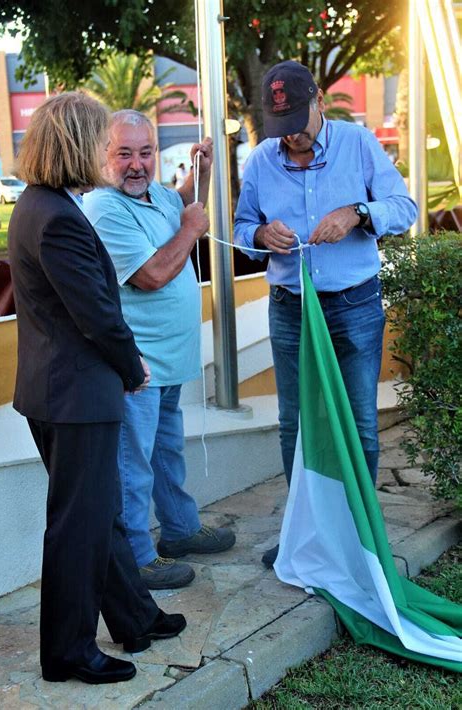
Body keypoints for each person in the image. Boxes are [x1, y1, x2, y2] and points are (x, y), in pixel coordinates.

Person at [8, 93, 186, 685]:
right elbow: (96, 315)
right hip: (75, 396)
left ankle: (134, 618)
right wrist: (134, 369)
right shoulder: (56, 216)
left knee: (98, 515)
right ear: (76, 144)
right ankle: (68, 653)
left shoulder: (43, 204)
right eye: (97, 137)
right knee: (78, 528)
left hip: (61, 390)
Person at [234, 61, 417, 568]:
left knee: (359, 423)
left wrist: (358, 213)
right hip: (290, 309)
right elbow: (242, 227)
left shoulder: (359, 145)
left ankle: (360, 537)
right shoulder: (262, 160)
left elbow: (405, 207)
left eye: (296, 119)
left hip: (355, 304)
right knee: (295, 424)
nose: (289, 135)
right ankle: (305, 536)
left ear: (318, 99)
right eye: (279, 126)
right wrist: (259, 236)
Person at [84, 110, 236, 590]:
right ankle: (137, 556)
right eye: (124, 153)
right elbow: (150, 276)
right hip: (139, 366)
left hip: (171, 362)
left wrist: (204, 171)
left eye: (145, 152)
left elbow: (186, 205)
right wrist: (191, 230)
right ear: (102, 156)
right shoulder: (104, 208)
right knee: (134, 465)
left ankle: (180, 530)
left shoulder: (159, 197)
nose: (136, 164)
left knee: (168, 454)